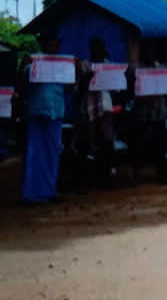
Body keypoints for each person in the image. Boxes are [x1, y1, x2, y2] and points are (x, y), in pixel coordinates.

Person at [16, 34, 76, 203]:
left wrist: (76, 70)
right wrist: (22, 66)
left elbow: (70, 89)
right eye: (50, 45)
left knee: (52, 153)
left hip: (56, 112)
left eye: (55, 45)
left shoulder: (62, 68)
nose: (53, 49)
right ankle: (30, 194)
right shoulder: (32, 65)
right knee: (34, 153)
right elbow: (21, 86)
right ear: (43, 47)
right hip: (36, 111)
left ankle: (49, 192)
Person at [127, 40, 167, 180]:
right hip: (142, 110)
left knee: (161, 142)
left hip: (158, 110)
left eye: (153, 51)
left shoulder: (160, 68)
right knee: (139, 141)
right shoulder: (136, 69)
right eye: (148, 51)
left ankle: (163, 171)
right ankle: (137, 172)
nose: (150, 54)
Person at [76, 37, 116, 189]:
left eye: (101, 48)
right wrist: (89, 76)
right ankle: (83, 181)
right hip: (88, 108)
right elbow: (78, 89)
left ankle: (105, 178)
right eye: (96, 48)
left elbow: (116, 88)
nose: (99, 51)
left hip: (105, 107)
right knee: (86, 144)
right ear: (91, 50)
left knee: (106, 142)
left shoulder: (108, 65)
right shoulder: (84, 65)